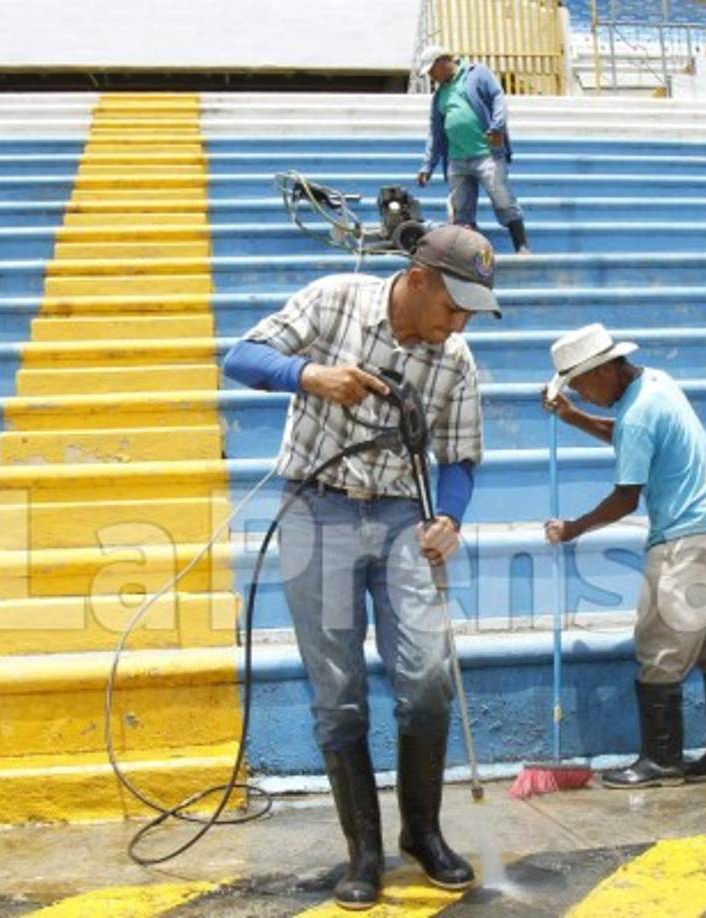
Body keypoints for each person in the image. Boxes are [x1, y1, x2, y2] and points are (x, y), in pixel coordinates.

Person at [223, 225, 500, 909]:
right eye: (452, 305)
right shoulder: (334, 300)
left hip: (404, 517)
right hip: (316, 513)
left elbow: (459, 458)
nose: (457, 322)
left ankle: (422, 833)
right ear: (417, 278)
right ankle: (363, 853)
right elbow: (240, 357)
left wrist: (450, 517)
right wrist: (308, 374)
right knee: (338, 687)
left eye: (470, 311)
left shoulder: (455, 360)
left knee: (428, 676)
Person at [542, 323, 706, 790]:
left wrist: (573, 528)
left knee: (660, 646)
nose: (584, 395)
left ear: (604, 369)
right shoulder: (656, 385)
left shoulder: (636, 413)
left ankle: (661, 762)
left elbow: (626, 498)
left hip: (681, 541)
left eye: (581, 385)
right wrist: (573, 417)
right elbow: (629, 434)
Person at [415, 43, 530, 255]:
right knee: (461, 210)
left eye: (432, 70)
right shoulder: (439, 96)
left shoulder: (477, 74)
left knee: (502, 198)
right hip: (457, 159)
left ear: (443, 61)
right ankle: (469, 256)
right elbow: (436, 133)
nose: (432, 77)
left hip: (487, 154)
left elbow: (498, 98)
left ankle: (521, 245)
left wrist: (497, 127)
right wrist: (427, 166)